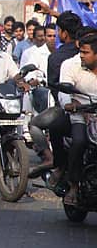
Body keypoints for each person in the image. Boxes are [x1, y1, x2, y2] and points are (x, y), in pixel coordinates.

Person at [58, 31, 97, 205]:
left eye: (86, 52)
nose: (81, 56)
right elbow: (64, 90)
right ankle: (73, 185)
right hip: (80, 113)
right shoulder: (72, 66)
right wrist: (69, 104)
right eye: (81, 52)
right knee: (79, 141)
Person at [48, 11, 82, 85]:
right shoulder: (89, 51)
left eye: (59, 30)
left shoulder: (55, 57)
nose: (58, 33)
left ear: (65, 34)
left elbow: (53, 86)